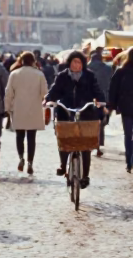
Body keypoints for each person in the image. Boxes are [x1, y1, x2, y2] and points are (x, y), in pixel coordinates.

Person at [45, 50, 106, 189]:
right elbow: (54, 90)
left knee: (85, 145)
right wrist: (49, 100)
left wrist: (101, 101)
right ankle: (62, 165)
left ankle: (85, 176)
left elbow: (97, 90)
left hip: (85, 111)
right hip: (65, 111)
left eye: (79, 62)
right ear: (69, 62)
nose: (76, 65)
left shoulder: (89, 76)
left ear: (82, 64)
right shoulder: (62, 76)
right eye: (74, 62)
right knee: (64, 139)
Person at [5, 52, 47, 174]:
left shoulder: (14, 74)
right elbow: (45, 92)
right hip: (34, 109)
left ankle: (21, 158)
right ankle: (30, 162)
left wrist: (7, 108)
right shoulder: (39, 74)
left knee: (19, 135)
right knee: (31, 137)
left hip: (18, 108)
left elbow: (8, 93)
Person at [88, 48, 114, 157]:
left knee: (89, 122)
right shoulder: (108, 69)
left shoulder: (85, 69)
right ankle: (98, 144)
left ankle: (92, 143)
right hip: (105, 99)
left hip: (89, 99)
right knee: (101, 122)